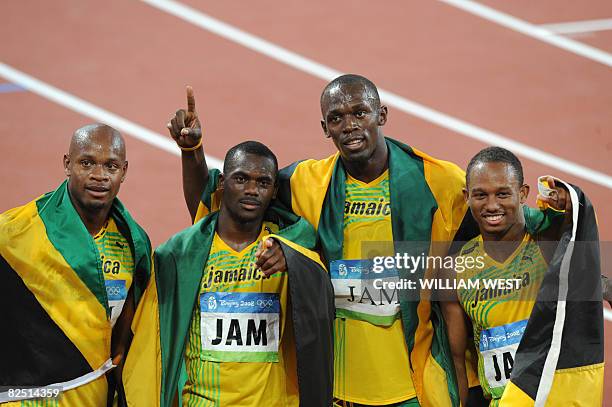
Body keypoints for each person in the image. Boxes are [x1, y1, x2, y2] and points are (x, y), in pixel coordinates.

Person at [167, 77, 557, 407]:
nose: (349, 125)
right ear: (325, 129)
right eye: (337, 118)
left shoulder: (439, 181)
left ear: (381, 115)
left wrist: (564, 218)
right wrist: (192, 153)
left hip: (412, 383)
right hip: (336, 385)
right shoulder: (306, 182)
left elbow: (503, 217)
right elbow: (228, 205)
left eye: (359, 113)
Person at [123, 141, 334, 407]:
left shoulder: (288, 248)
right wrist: (192, 152)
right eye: (241, 179)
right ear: (222, 183)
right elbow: (152, 345)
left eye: (263, 182)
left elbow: (323, 293)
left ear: (274, 190)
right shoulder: (184, 255)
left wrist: (294, 259)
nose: (251, 190)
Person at [0, 124, 152, 406]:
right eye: (86, 163)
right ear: (67, 164)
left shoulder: (134, 243)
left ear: (124, 171)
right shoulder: (18, 230)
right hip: (26, 397)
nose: (99, 176)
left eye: (111, 165)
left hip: (90, 396)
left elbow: (123, 341)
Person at [440, 147, 604, 406]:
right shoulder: (455, 269)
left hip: (558, 398)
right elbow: (458, 363)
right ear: (467, 197)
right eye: (480, 195)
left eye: (503, 194)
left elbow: (586, 265)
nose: (492, 205)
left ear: (523, 193)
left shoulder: (546, 243)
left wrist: (569, 207)